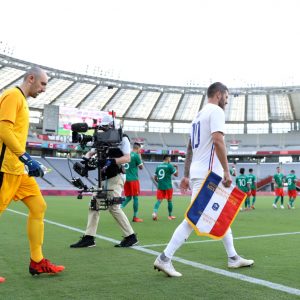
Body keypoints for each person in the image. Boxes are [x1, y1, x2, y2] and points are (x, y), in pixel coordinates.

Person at [153, 82, 254, 277]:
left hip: (200, 174)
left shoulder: (197, 117)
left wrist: (185, 174)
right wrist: (226, 170)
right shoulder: (215, 111)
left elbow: (190, 148)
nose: (227, 99)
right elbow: (218, 140)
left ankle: (233, 257)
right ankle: (164, 258)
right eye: (226, 95)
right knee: (194, 219)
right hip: (209, 175)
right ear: (218, 94)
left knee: (220, 214)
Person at [0, 67, 65, 279]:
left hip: (18, 170)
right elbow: (3, 130)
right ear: (30, 78)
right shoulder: (12, 96)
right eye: (43, 84)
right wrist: (25, 157)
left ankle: (37, 261)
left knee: (39, 206)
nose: (44, 89)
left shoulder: (22, 101)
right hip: (5, 168)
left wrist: (23, 161)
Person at [70, 115, 138, 248]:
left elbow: (127, 158)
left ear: (113, 126)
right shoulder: (102, 138)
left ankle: (131, 237)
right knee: (94, 204)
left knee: (113, 206)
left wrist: (110, 161)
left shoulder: (122, 138)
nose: (104, 129)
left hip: (116, 176)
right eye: (103, 127)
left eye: (107, 127)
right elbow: (91, 152)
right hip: (104, 177)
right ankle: (89, 238)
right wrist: (86, 158)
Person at [121, 142, 144, 222]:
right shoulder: (136, 156)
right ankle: (135, 217)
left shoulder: (127, 154)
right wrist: (140, 156)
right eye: (140, 149)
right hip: (133, 179)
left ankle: (119, 208)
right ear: (138, 148)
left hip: (125, 179)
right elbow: (141, 167)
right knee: (135, 197)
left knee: (128, 197)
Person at [152, 155, 178, 221]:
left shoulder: (158, 166)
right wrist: (176, 167)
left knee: (159, 200)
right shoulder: (169, 166)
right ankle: (170, 216)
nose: (170, 160)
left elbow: (155, 178)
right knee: (169, 201)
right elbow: (176, 175)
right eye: (170, 159)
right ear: (168, 159)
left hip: (160, 186)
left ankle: (154, 213)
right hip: (168, 186)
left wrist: (160, 182)